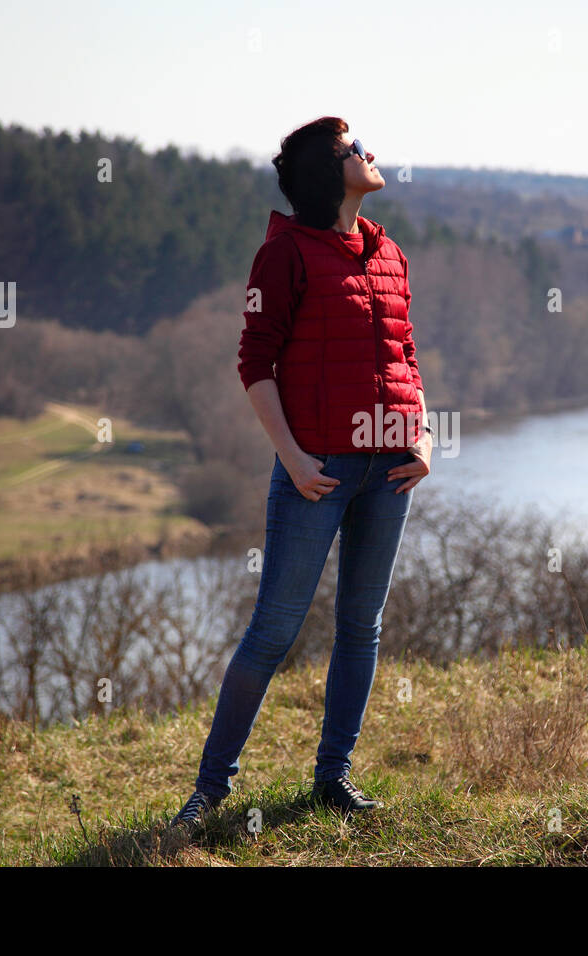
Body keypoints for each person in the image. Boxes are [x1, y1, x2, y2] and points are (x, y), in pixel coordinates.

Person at [169, 116, 433, 831]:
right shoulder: (285, 255)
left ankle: (332, 778)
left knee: (361, 627)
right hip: (315, 469)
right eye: (354, 149)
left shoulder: (388, 252)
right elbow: (255, 362)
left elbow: (405, 352)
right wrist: (291, 457)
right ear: (328, 172)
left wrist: (426, 435)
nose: (369, 153)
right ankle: (208, 793)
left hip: (389, 473)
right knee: (272, 632)